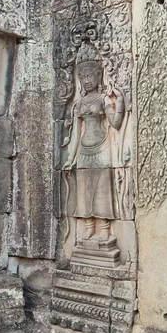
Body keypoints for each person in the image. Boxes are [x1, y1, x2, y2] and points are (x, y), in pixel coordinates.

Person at [62, 41, 125, 242]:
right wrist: (70, 158)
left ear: (98, 76)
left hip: (102, 146)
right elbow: (75, 135)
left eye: (90, 75)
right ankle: (89, 225)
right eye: (83, 76)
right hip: (84, 150)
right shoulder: (79, 103)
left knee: (102, 187)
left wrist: (120, 102)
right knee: (84, 188)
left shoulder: (103, 99)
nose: (87, 80)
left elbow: (115, 124)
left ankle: (104, 227)